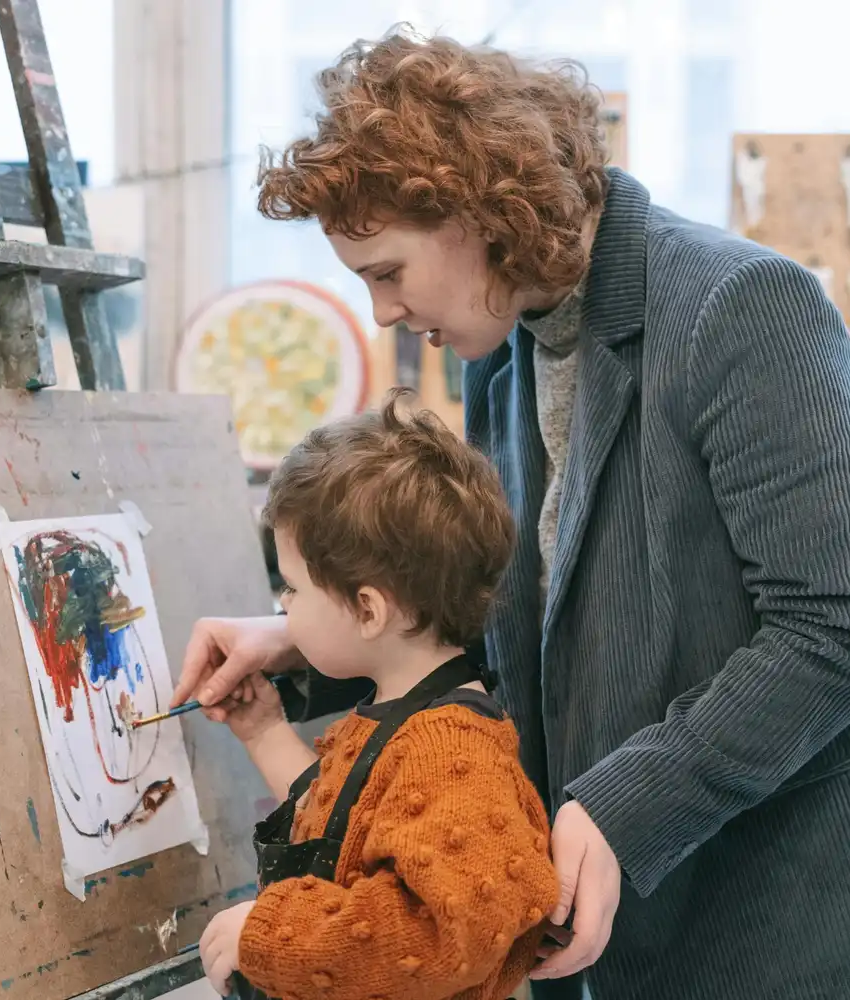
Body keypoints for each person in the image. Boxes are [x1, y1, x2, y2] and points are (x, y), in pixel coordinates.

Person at [175, 28, 850, 1000]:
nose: (380, 313)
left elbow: (830, 625)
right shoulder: (508, 345)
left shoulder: (739, 307)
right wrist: (299, 634)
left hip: (760, 930)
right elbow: (522, 629)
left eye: (386, 271)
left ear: (475, 208)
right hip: (604, 947)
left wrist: (624, 806)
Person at [197, 392, 560, 1000]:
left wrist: (268, 935)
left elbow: (434, 933)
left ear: (367, 609)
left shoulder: (450, 750)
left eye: (291, 589)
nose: (282, 608)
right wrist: (263, 731)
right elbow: (346, 822)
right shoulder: (405, 716)